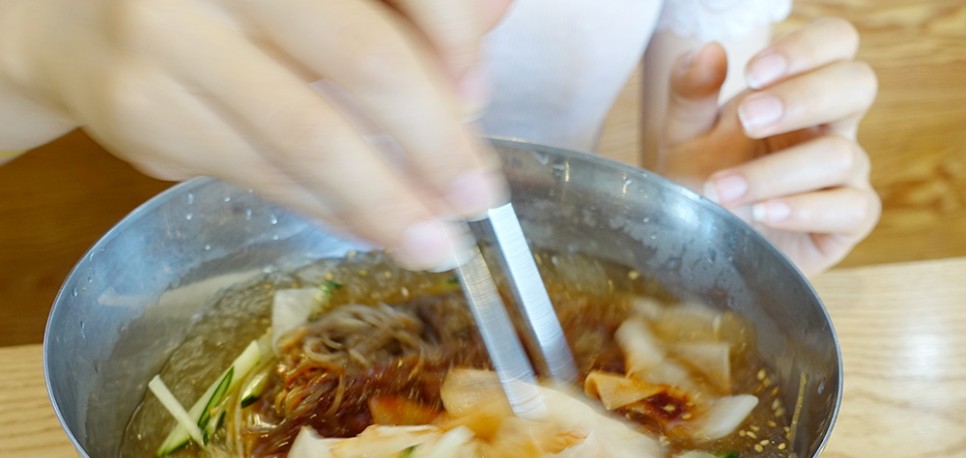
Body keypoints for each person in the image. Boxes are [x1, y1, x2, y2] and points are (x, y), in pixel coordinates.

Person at [0, 0, 879, 275]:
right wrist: (37, 49)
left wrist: (716, 244)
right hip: (180, 320)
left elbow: (697, 135)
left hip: (547, 310)